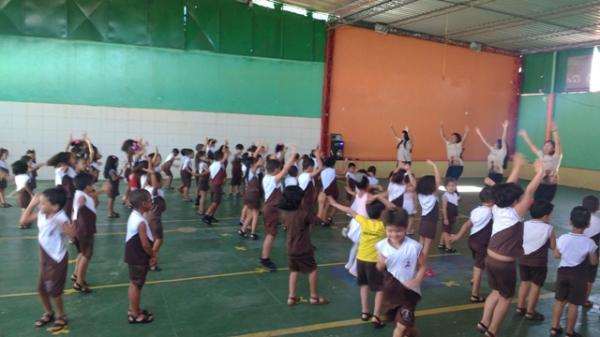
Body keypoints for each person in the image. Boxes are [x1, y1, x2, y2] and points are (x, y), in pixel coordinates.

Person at [477, 153, 543, 337]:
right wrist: (540, 172)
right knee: (506, 298)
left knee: (495, 292)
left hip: (490, 258)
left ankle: (484, 322)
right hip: (504, 264)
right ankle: (493, 331)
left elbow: (506, 187)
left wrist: (518, 167)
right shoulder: (515, 213)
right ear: (515, 202)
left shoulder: (498, 207)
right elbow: (529, 191)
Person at [328, 194, 397, 329]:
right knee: (380, 288)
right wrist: (380, 197)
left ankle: (365, 312)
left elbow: (350, 210)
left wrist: (334, 204)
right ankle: (376, 316)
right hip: (375, 262)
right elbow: (394, 208)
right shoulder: (384, 225)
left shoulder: (364, 221)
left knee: (364, 285)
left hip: (361, 259)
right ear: (382, 213)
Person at [20, 188, 75, 332]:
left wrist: (67, 228)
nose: (40, 205)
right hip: (45, 257)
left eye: (43, 203)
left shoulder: (60, 217)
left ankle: (61, 316)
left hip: (57, 259)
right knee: (41, 288)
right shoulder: (42, 214)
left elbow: (73, 235)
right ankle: (49, 312)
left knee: (54, 291)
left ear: (55, 207)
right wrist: (31, 204)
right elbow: (24, 220)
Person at [376, 208, 426, 337]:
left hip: (409, 294)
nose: (394, 234)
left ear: (405, 228)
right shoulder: (382, 246)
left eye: (398, 231)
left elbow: (423, 267)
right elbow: (379, 267)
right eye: (390, 231)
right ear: (385, 229)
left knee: (400, 327)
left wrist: (416, 281)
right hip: (391, 293)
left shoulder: (414, 247)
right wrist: (381, 263)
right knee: (406, 325)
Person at [550, 206, 598, 337]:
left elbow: (556, 255)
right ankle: (569, 331)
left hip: (562, 274)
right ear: (588, 224)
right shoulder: (590, 243)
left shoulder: (563, 238)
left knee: (559, 301)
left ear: (570, 221)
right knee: (574, 305)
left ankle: (554, 327)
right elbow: (594, 262)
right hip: (579, 276)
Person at [280, 185, 329, 306]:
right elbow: (319, 220)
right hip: (303, 249)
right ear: (298, 200)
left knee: (294, 270)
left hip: (291, 249)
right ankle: (314, 297)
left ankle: (291, 297)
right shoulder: (303, 214)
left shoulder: (285, 214)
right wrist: (321, 204)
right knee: (312, 270)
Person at [516, 200, 556, 321]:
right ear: (545, 216)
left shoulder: (523, 224)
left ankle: (520, 307)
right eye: (550, 214)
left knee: (524, 283)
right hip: (538, 263)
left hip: (523, 260)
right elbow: (553, 246)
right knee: (536, 286)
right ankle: (530, 311)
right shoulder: (549, 229)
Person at [259, 146, 297, 271]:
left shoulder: (267, 176)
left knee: (273, 232)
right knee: (271, 234)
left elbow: (279, 166)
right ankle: (264, 259)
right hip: (270, 209)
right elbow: (285, 168)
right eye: (279, 169)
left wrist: (282, 155)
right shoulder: (272, 180)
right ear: (275, 170)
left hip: (272, 208)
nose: (282, 171)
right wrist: (293, 155)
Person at [125, 189, 156, 324]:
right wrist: (153, 255)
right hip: (138, 256)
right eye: (150, 200)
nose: (152, 202)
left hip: (134, 255)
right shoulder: (141, 222)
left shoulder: (136, 215)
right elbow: (145, 244)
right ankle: (135, 314)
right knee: (136, 285)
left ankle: (133, 308)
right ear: (143, 203)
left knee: (135, 284)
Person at [518, 122, 562, 202]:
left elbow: (558, 144)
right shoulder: (541, 155)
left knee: (546, 203)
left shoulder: (555, 157)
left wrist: (555, 131)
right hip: (539, 184)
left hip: (550, 186)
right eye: (545, 145)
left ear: (553, 149)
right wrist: (525, 136)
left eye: (549, 146)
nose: (545, 146)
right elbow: (531, 145)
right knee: (536, 201)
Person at [71, 172, 97, 293]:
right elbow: (82, 207)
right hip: (85, 228)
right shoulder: (82, 196)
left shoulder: (79, 193)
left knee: (81, 252)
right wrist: (102, 190)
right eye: (92, 183)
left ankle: (76, 274)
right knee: (87, 254)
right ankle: (79, 283)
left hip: (79, 227)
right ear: (87, 186)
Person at [416, 160, 441, 277]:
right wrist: (434, 165)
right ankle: (422, 266)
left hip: (423, 221)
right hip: (430, 222)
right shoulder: (433, 195)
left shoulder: (420, 194)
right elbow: (438, 181)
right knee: (426, 245)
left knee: (421, 243)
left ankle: (416, 263)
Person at [582, 195, 600, 308]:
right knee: (589, 279)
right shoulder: (598, 222)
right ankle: (585, 300)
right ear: (597, 208)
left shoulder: (578, 217)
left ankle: (570, 297)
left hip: (578, 251)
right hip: (593, 254)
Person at [439, 177, 460, 253]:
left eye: (453, 186)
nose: (451, 187)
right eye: (449, 186)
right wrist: (445, 218)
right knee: (446, 232)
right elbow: (444, 208)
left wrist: (456, 215)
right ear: (445, 187)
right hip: (447, 216)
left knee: (445, 230)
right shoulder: (445, 196)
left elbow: (456, 205)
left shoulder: (455, 195)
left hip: (452, 216)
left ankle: (441, 244)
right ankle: (448, 247)